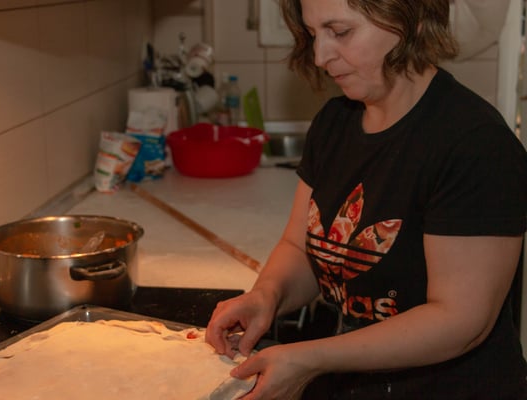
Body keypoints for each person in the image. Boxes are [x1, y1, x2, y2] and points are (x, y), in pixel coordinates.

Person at [204, 0, 527, 398]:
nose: (320, 56)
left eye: (340, 32)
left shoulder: (476, 145)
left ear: (409, 19)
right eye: (313, 34)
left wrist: (308, 359)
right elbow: (301, 248)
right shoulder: (334, 121)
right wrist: (266, 295)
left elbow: (460, 321)